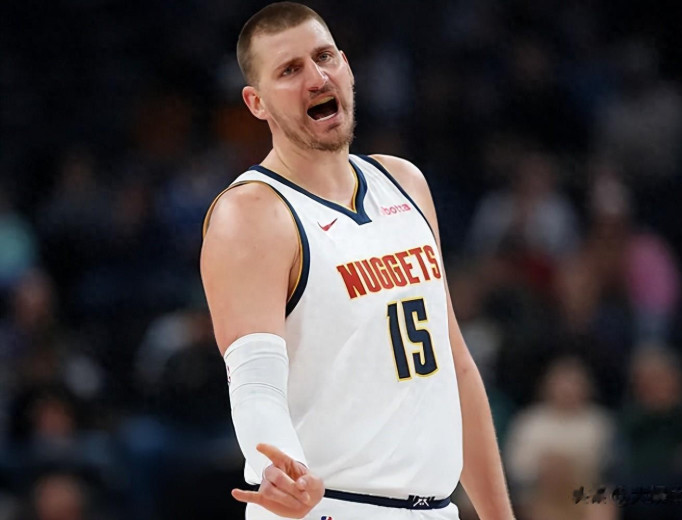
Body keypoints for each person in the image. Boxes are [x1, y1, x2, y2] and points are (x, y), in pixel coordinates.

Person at [200, 3, 515, 519]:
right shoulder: (252, 212)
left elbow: (455, 366)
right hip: (327, 507)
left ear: (346, 65)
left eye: (324, 57)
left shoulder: (404, 183)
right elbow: (255, 382)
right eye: (289, 70)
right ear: (256, 103)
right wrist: (278, 467)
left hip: (435, 509)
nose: (316, 78)